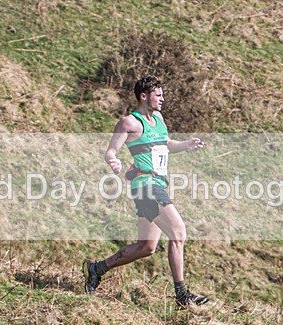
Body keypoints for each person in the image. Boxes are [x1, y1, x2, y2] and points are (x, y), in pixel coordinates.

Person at [82, 75, 210, 307]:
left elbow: (166, 144)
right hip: (145, 187)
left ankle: (96, 269)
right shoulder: (129, 123)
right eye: (158, 95)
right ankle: (182, 296)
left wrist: (186, 145)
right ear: (144, 96)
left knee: (146, 247)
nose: (162, 99)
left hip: (157, 185)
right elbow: (111, 150)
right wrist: (113, 161)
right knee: (178, 232)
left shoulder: (158, 118)